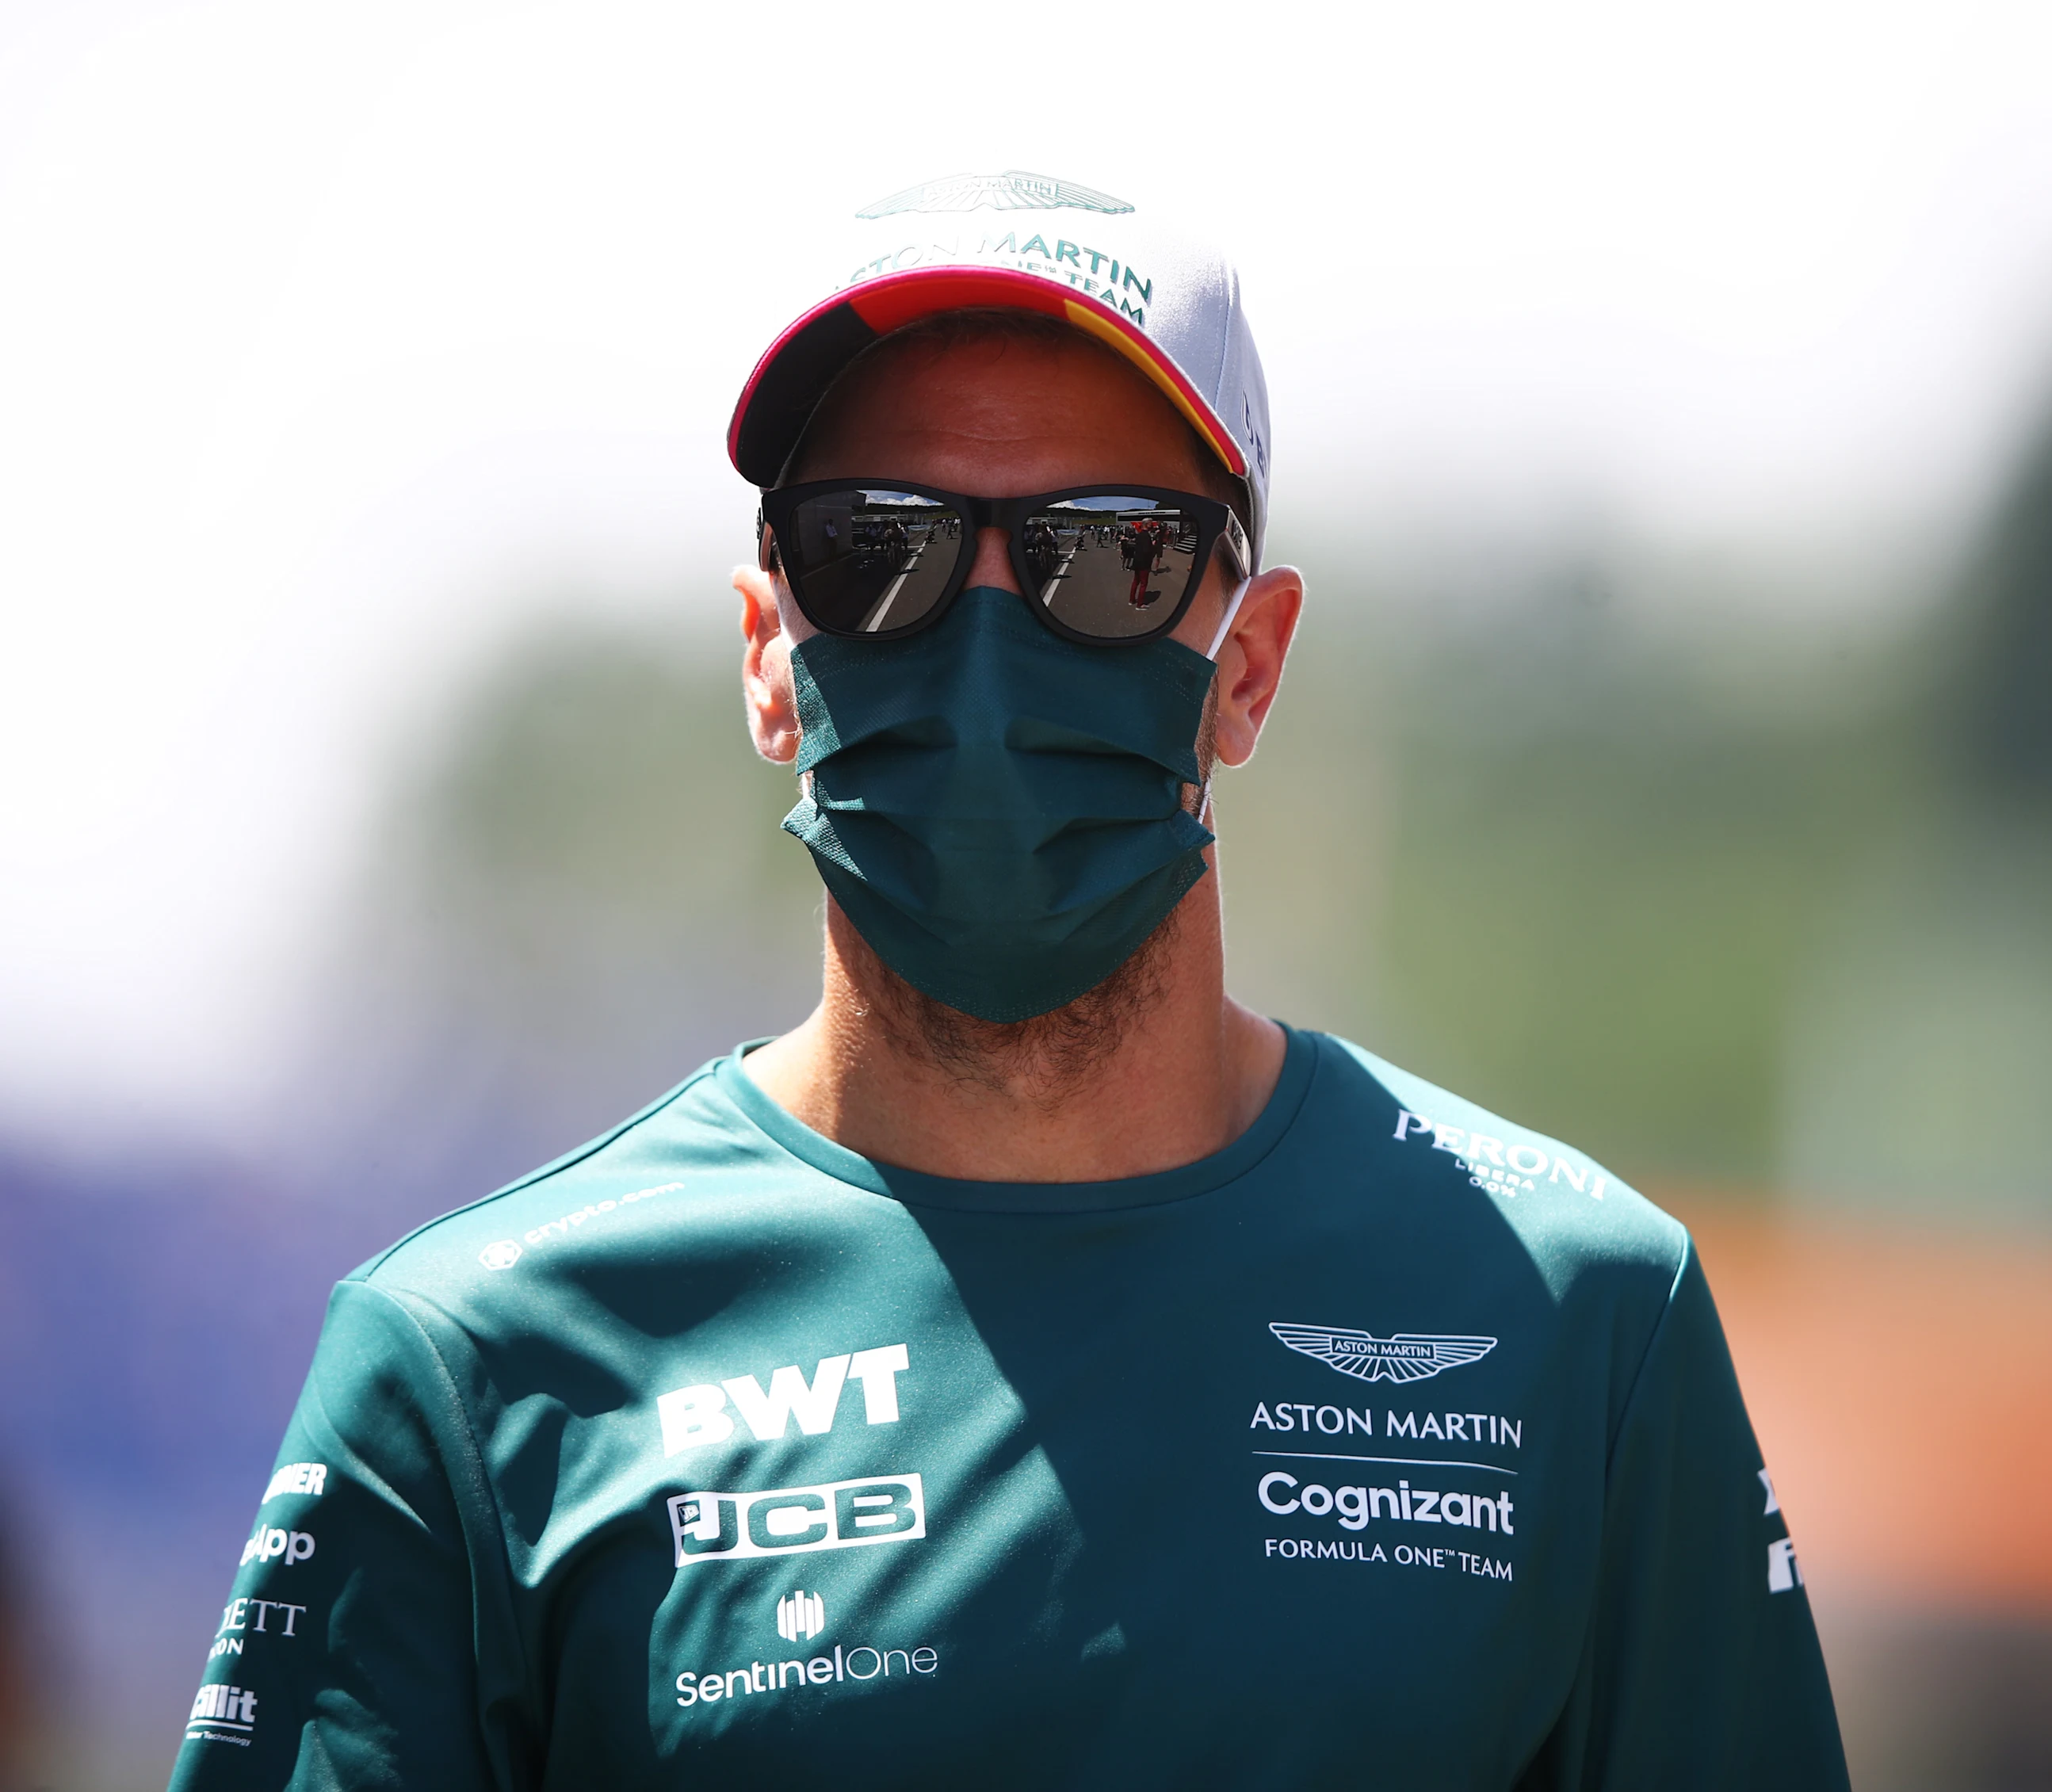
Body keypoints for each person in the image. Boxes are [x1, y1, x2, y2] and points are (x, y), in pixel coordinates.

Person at [170, 170, 1848, 1790]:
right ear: (769, 650)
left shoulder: (1575, 1320)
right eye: (870, 549)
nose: (981, 639)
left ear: (1245, 664)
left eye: (1100, 556)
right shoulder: (476, 1365)